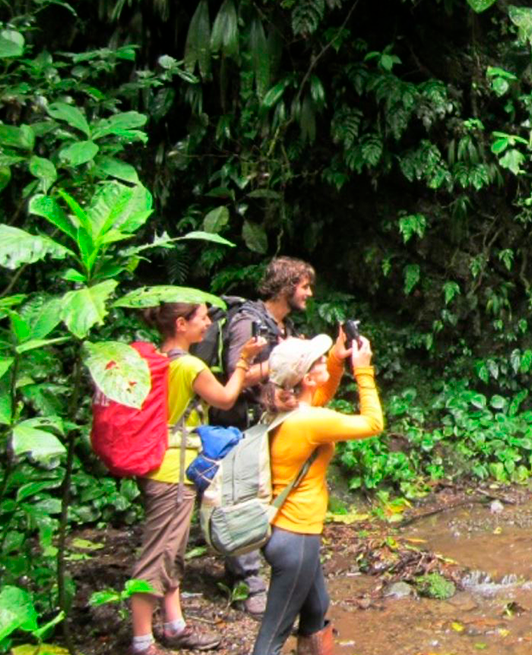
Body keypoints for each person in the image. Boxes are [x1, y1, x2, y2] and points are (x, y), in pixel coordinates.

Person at [129, 302, 264, 655]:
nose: (208, 323)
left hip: (160, 464)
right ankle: (142, 642)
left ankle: (174, 625)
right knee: (157, 555)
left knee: (172, 550)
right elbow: (225, 397)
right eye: (202, 317)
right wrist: (244, 361)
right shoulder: (189, 365)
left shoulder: (155, 360)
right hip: (173, 471)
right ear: (181, 323)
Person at [250, 331, 383, 655]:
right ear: (307, 378)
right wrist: (363, 370)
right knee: (270, 639)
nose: (325, 359)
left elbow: (318, 397)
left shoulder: (286, 410)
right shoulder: (309, 422)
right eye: (319, 360)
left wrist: (336, 359)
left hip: (287, 533)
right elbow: (373, 423)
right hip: (296, 538)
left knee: (316, 606)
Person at [206, 256, 315, 617]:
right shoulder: (248, 322)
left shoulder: (281, 325)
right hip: (238, 426)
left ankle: (245, 572)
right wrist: (283, 361)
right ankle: (248, 584)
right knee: (241, 501)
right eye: (304, 286)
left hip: (266, 422)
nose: (309, 294)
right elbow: (234, 375)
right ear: (286, 287)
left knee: (260, 498)